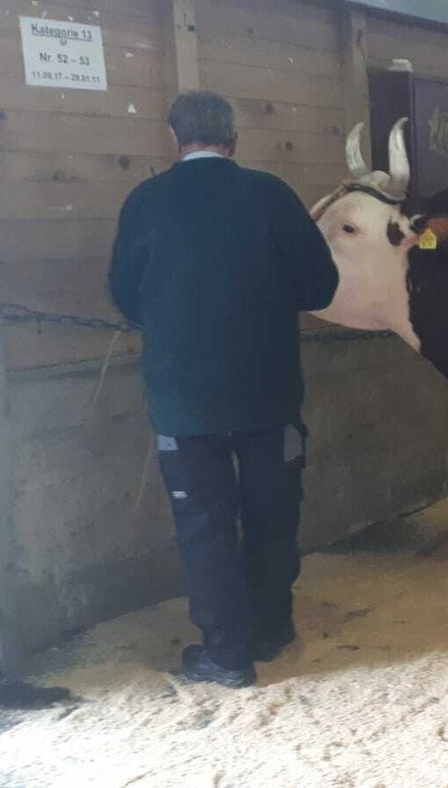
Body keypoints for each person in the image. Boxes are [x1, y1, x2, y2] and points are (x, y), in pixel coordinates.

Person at [108, 91, 339, 687]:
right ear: (234, 141)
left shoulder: (145, 201)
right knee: (273, 513)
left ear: (173, 138)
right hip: (270, 397)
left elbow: (126, 296)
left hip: (183, 404)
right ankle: (271, 628)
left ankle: (226, 653)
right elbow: (320, 287)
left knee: (204, 525)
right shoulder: (271, 196)